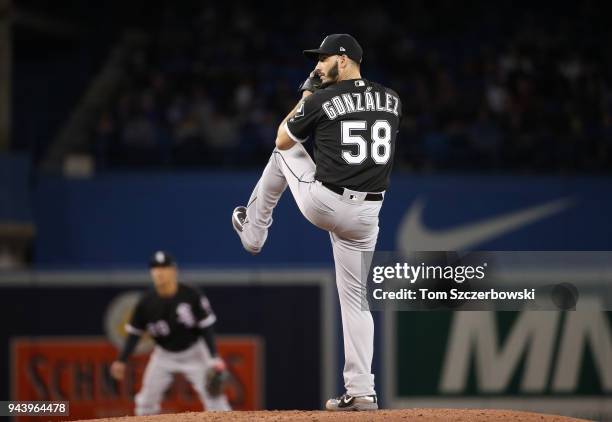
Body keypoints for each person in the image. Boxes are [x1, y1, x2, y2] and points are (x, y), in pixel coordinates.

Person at [231, 34, 401, 411]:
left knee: (280, 153)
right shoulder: (392, 99)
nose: (319, 66)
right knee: (357, 302)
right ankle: (362, 392)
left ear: (344, 58)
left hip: (326, 203)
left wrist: (308, 93)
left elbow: (283, 136)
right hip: (368, 216)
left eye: (324, 59)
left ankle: (254, 232)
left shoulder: (322, 98)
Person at [110, 251, 231, 414]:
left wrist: (213, 356)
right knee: (145, 403)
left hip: (194, 352)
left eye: (164, 267)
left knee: (216, 401)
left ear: (174, 271)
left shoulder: (191, 294)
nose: (159, 272)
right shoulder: (146, 302)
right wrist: (122, 360)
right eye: (155, 268)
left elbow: (206, 326)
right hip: (163, 355)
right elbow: (134, 334)